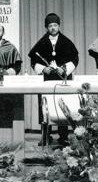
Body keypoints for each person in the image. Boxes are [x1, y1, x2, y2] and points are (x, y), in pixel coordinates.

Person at [28, 13, 79, 146]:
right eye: (50, 25)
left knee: (63, 104)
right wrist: (43, 69)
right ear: (46, 27)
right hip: (47, 79)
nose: (53, 28)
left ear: (59, 26)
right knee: (46, 105)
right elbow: (33, 60)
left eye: (55, 25)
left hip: (63, 78)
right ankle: (46, 135)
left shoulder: (66, 42)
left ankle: (64, 135)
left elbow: (75, 58)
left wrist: (65, 69)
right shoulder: (42, 43)